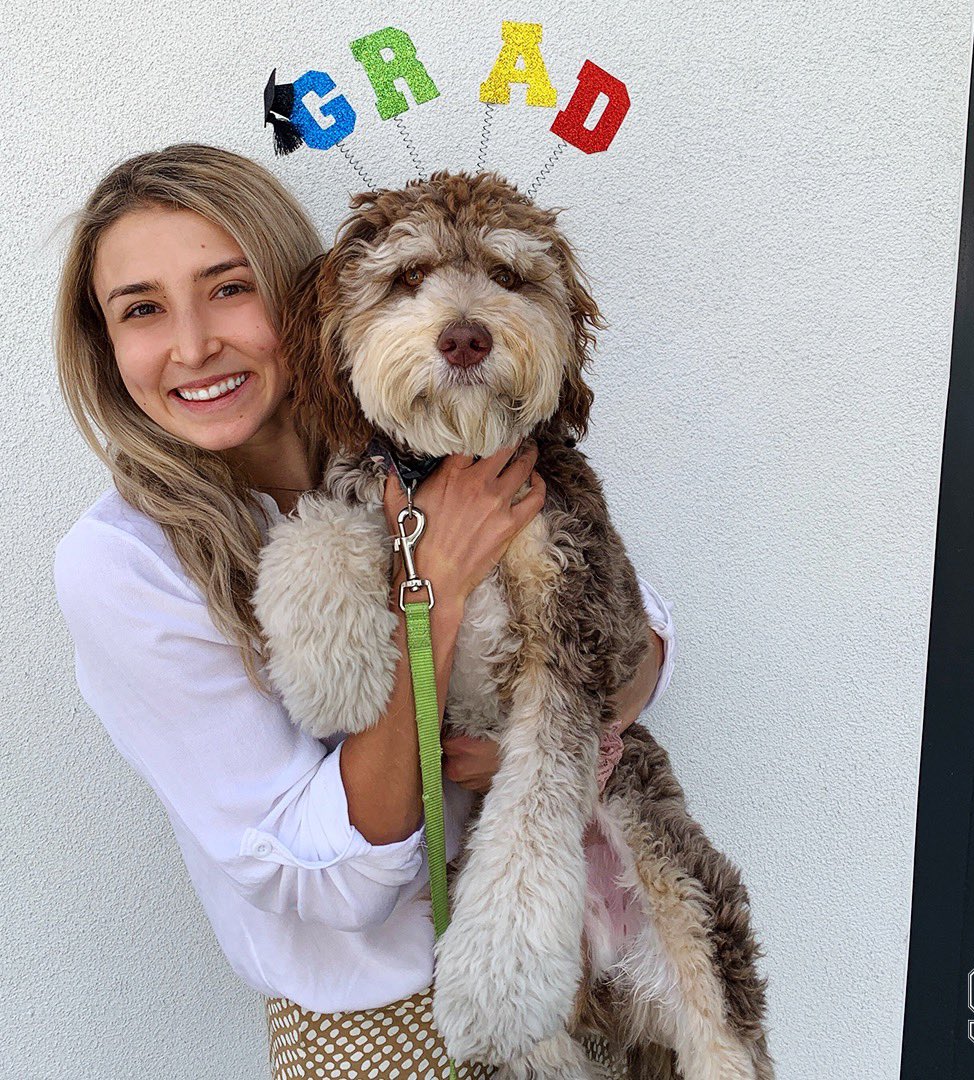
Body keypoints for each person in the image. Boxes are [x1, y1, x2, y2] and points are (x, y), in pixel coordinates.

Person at [52, 143, 676, 1078]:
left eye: (228, 289)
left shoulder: (425, 439)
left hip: (591, 970)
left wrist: (561, 743)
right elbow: (327, 877)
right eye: (141, 310)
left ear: (309, 302)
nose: (191, 346)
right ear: (106, 345)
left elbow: (643, 639)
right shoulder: (122, 565)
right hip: (388, 1029)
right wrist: (433, 591)